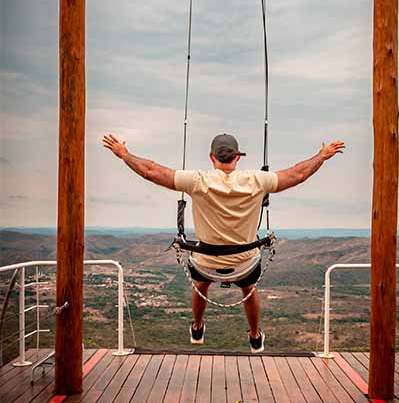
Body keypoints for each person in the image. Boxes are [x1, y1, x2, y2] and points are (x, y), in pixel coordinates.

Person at [102, 132, 345, 353]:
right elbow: (298, 174)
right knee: (249, 289)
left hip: (205, 263)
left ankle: (197, 327)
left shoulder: (196, 180)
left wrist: (124, 154)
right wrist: (321, 156)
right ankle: (254, 336)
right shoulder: (257, 180)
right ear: (237, 158)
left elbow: (152, 172)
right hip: (245, 264)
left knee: (200, 284)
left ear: (212, 157)